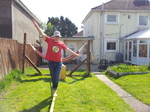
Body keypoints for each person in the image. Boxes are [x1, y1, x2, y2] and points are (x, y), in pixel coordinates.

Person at [32, 20, 81, 97]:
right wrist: (36, 25)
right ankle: (54, 86)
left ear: (59, 37)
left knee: (57, 76)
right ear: (53, 36)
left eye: (58, 36)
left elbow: (68, 50)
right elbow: (42, 33)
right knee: (52, 75)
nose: (57, 37)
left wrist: (75, 54)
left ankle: (54, 90)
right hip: (51, 62)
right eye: (55, 36)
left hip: (58, 63)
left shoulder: (61, 43)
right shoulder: (49, 40)